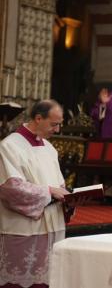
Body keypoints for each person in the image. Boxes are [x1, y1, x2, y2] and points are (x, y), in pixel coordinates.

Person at [0, 100, 76, 287]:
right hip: (24, 227)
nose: (57, 130)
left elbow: (60, 185)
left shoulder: (49, 148)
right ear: (38, 118)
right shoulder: (9, 146)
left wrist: (70, 198)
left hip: (52, 225)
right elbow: (11, 188)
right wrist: (49, 192)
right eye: (54, 124)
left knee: (48, 280)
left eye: (60, 124)